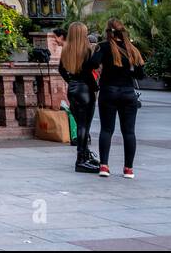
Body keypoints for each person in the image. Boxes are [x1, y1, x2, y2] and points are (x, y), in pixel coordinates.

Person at [84, 19, 145, 179]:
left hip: (108, 91)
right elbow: (140, 74)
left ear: (108, 32)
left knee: (107, 129)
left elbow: (92, 63)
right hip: (128, 92)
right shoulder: (132, 49)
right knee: (129, 132)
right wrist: (127, 71)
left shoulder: (103, 47)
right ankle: (128, 169)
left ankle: (104, 166)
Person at [58, 23, 99, 173]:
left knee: (80, 123)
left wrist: (71, 82)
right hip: (85, 90)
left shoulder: (66, 50)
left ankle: (85, 155)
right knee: (84, 126)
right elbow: (89, 72)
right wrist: (94, 87)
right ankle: (81, 160)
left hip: (73, 89)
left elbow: (61, 70)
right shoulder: (87, 50)